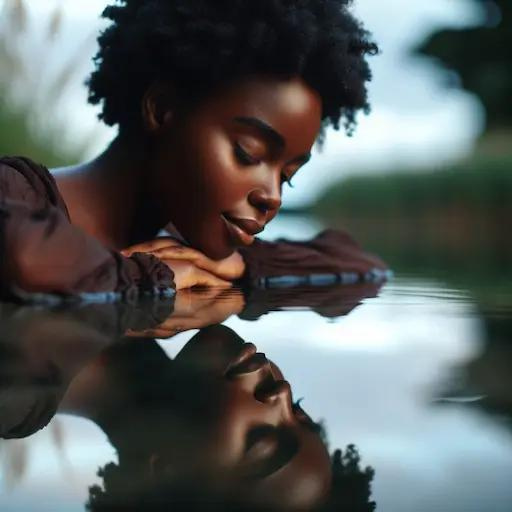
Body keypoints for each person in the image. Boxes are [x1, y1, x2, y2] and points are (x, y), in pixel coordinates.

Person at [0, 0, 386, 302]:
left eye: (288, 175)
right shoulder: (13, 193)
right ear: (163, 110)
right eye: (248, 153)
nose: (272, 196)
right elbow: (23, 260)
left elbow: (360, 265)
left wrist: (238, 265)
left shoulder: (184, 241)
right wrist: (147, 275)